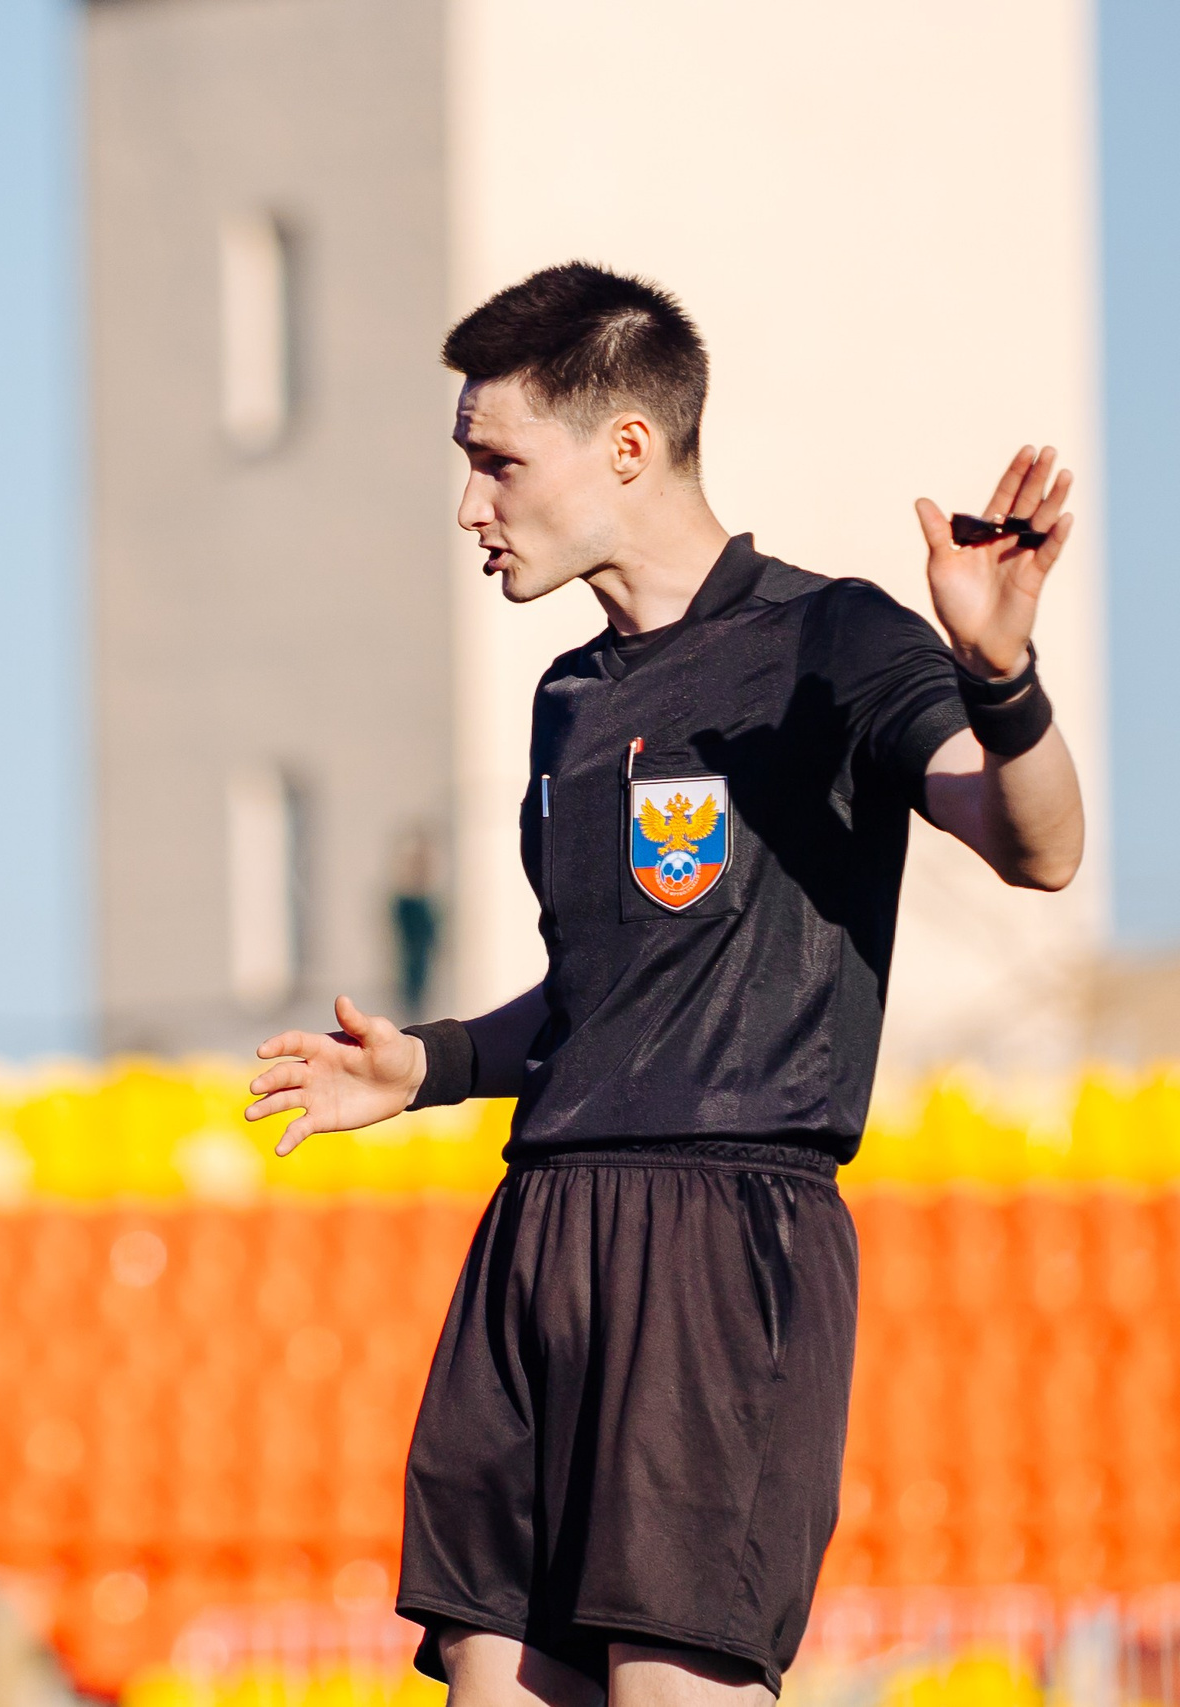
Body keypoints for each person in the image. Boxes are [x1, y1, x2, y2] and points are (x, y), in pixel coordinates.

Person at [244, 263, 1082, 1707]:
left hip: (721, 1237)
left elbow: (1038, 844)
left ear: (626, 447)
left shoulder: (838, 641)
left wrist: (1003, 679)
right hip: (539, 1228)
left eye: (495, 462)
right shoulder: (568, 699)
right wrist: (431, 1065)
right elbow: (609, 996)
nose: (471, 508)